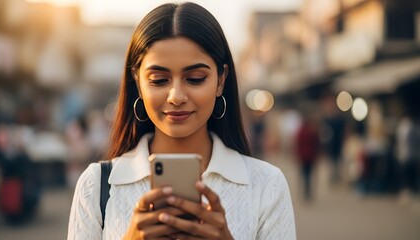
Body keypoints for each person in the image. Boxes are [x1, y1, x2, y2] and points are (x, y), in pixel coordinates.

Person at [67, 2, 296, 240]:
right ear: (138, 82)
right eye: (158, 79)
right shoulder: (96, 185)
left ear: (220, 80)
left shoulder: (267, 185)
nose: (176, 96)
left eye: (195, 78)